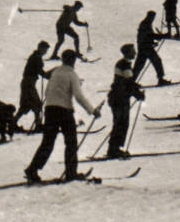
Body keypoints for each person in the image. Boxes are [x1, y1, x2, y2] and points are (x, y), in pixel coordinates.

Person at [24, 49, 100, 183]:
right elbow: (78, 96)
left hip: (50, 109)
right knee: (71, 142)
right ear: (73, 60)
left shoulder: (55, 72)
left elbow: (47, 91)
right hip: (64, 111)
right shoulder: (72, 74)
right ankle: (71, 173)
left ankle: (32, 169)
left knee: (47, 142)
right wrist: (92, 110)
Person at [105, 47, 145, 158]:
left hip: (119, 98)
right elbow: (128, 83)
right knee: (120, 124)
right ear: (127, 53)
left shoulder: (123, 64)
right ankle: (113, 149)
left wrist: (135, 89)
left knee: (121, 124)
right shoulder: (124, 65)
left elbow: (127, 82)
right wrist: (138, 94)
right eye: (133, 51)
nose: (135, 53)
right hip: (119, 99)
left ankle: (115, 148)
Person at [14, 41, 51, 132]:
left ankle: (12, 124)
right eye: (45, 50)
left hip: (27, 83)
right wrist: (51, 76)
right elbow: (41, 72)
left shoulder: (35, 57)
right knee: (37, 104)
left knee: (25, 106)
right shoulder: (36, 58)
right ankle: (38, 126)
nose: (45, 52)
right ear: (40, 48)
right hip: (29, 84)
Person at [134, 11, 166, 85]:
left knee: (139, 65)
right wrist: (161, 36)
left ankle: (131, 82)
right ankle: (161, 79)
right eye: (152, 17)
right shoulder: (145, 24)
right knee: (157, 61)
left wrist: (153, 41)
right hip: (146, 48)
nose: (153, 19)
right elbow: (149, 35)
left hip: (142, 47)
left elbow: (147, 36)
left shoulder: (146, 23)